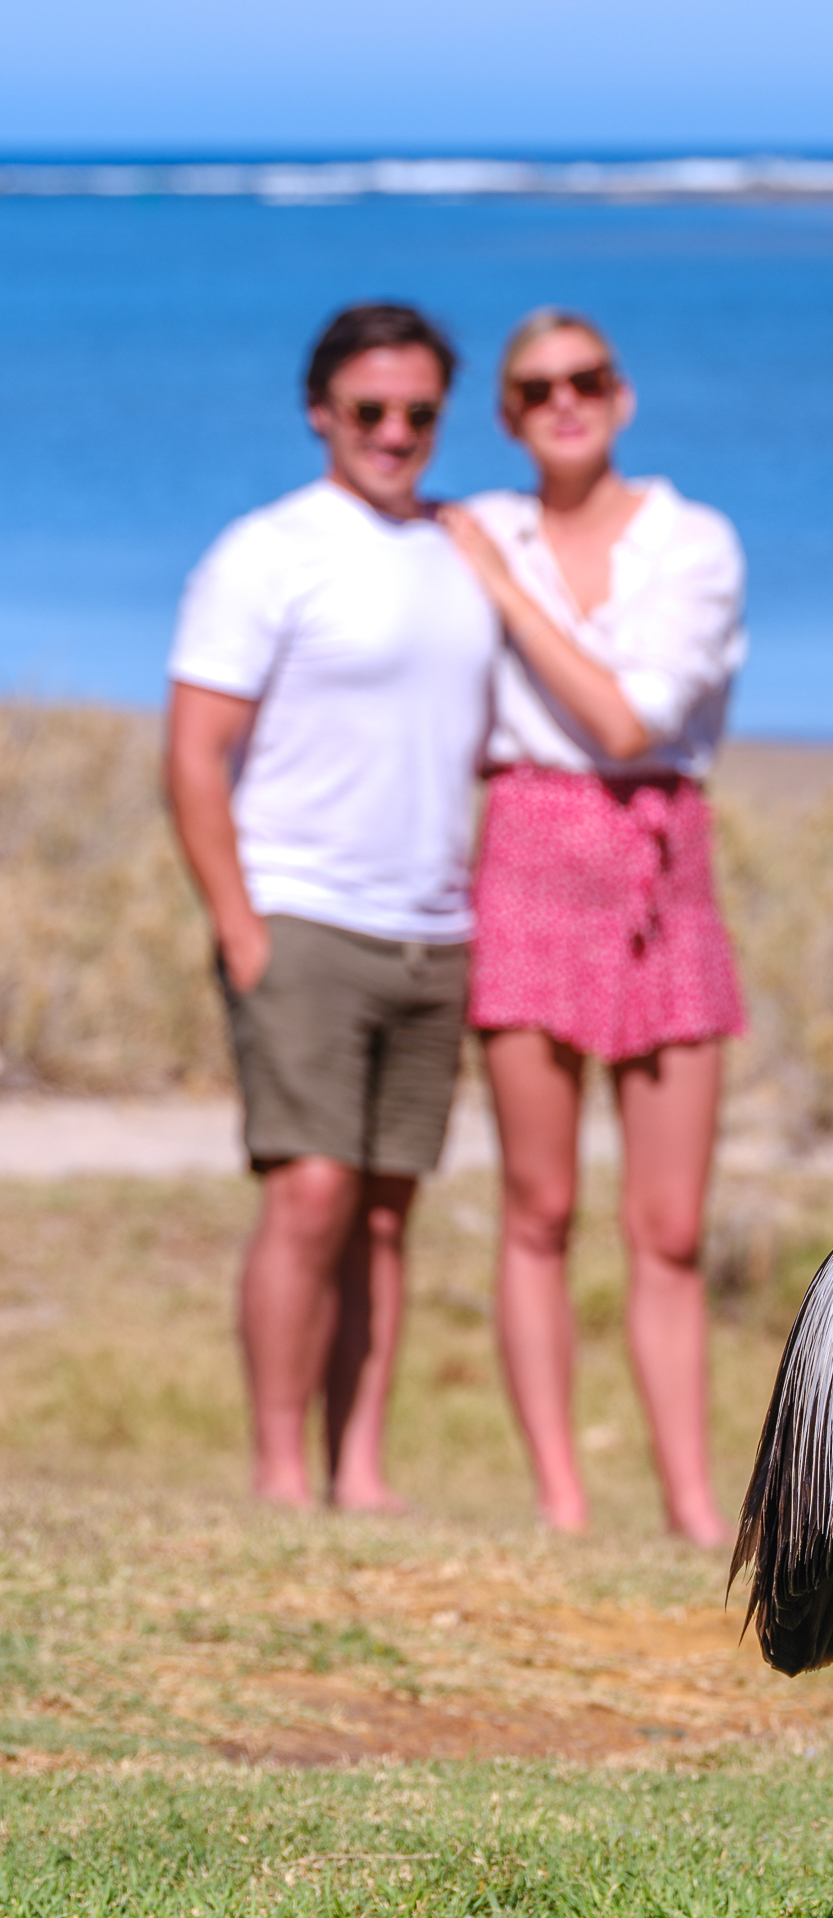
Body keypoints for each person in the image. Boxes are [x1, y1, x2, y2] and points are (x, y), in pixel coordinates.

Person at [165, 302, 500, 1514]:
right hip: (303, 914)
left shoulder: (461, 548)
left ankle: (360, 1470)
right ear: (321, 412)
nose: (394, 432)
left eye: (417, 412)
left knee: (385, 1210)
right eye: (370, 410)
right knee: (307, 1192)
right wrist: (241, 926)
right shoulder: (265, 552)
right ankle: (275, 1472)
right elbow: (194, 753)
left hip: (434, 928)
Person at [435, 308, 748, 1547]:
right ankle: (560, 1499)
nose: (564, 400)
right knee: (537, 1202)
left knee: (668, 1226)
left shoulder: (690, 540)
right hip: (524, 851)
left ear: (621, 396)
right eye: (535, 387)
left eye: (587, 379)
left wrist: (502, 591)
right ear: (508, 414)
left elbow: (632, 723)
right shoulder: (475, 525)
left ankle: (686, 1501)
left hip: (660, 860)